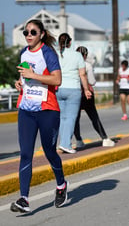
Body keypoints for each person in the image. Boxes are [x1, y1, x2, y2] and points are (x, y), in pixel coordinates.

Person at [11, 19, 68, 213]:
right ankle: (24, 199)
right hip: (26, 110)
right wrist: (19, 83)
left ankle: (61, 184)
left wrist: (33, 75)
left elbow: (57, 79)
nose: (28, 35)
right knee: (26, 153)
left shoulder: (48, 53)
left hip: (47, 111)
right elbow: (24, 77)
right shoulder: (23, 53)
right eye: (25, 32)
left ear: (41, 34)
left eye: (33, 32)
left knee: (49, 151)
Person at [57, 33, 92, 154]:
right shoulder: (77, 55)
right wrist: (86, 90)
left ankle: (62, 143)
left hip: (59, 89)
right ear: (70, 42)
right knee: (71, 118)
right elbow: (82, 74)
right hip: (73, 90)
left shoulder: (56, 55)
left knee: (62, 118)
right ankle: (65, 144)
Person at [74, 46, 115, 148]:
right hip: (87, 94)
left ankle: (79, 140)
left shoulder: (71, 65)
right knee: (94, 117)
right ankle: (104, 138)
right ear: (85, 55)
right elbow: (92, 81)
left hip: (74, 94)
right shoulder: (87, 65)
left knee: (75, 119)